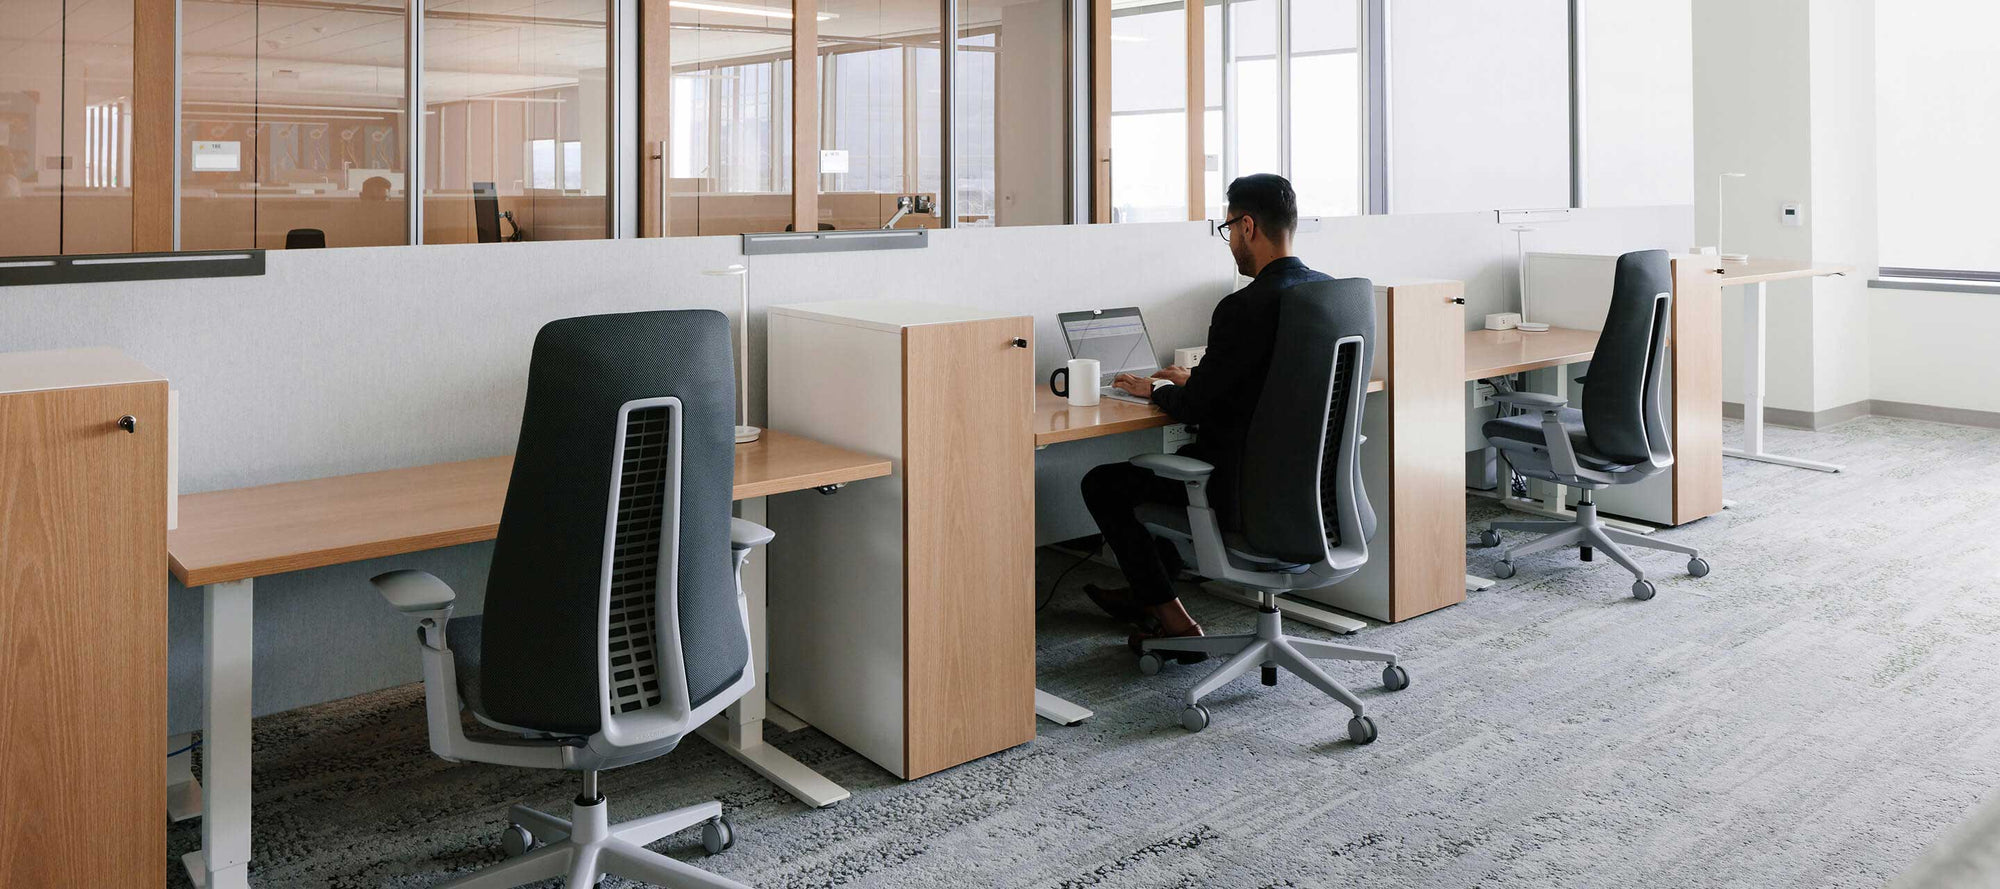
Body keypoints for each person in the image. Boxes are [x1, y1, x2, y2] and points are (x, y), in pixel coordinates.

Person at [1079, 173, 1334, 652]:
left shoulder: (1242, 307)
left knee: (1103, 484)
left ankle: (1172, 617)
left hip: (1239, 490)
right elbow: (1271, 384)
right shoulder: (1328, 296)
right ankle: (1147, 589)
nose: (1230, 240)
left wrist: (1155, 388)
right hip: (1307, 490)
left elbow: (1195, 408)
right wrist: (1194, 379)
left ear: (1248, 226)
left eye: (1228, 228)